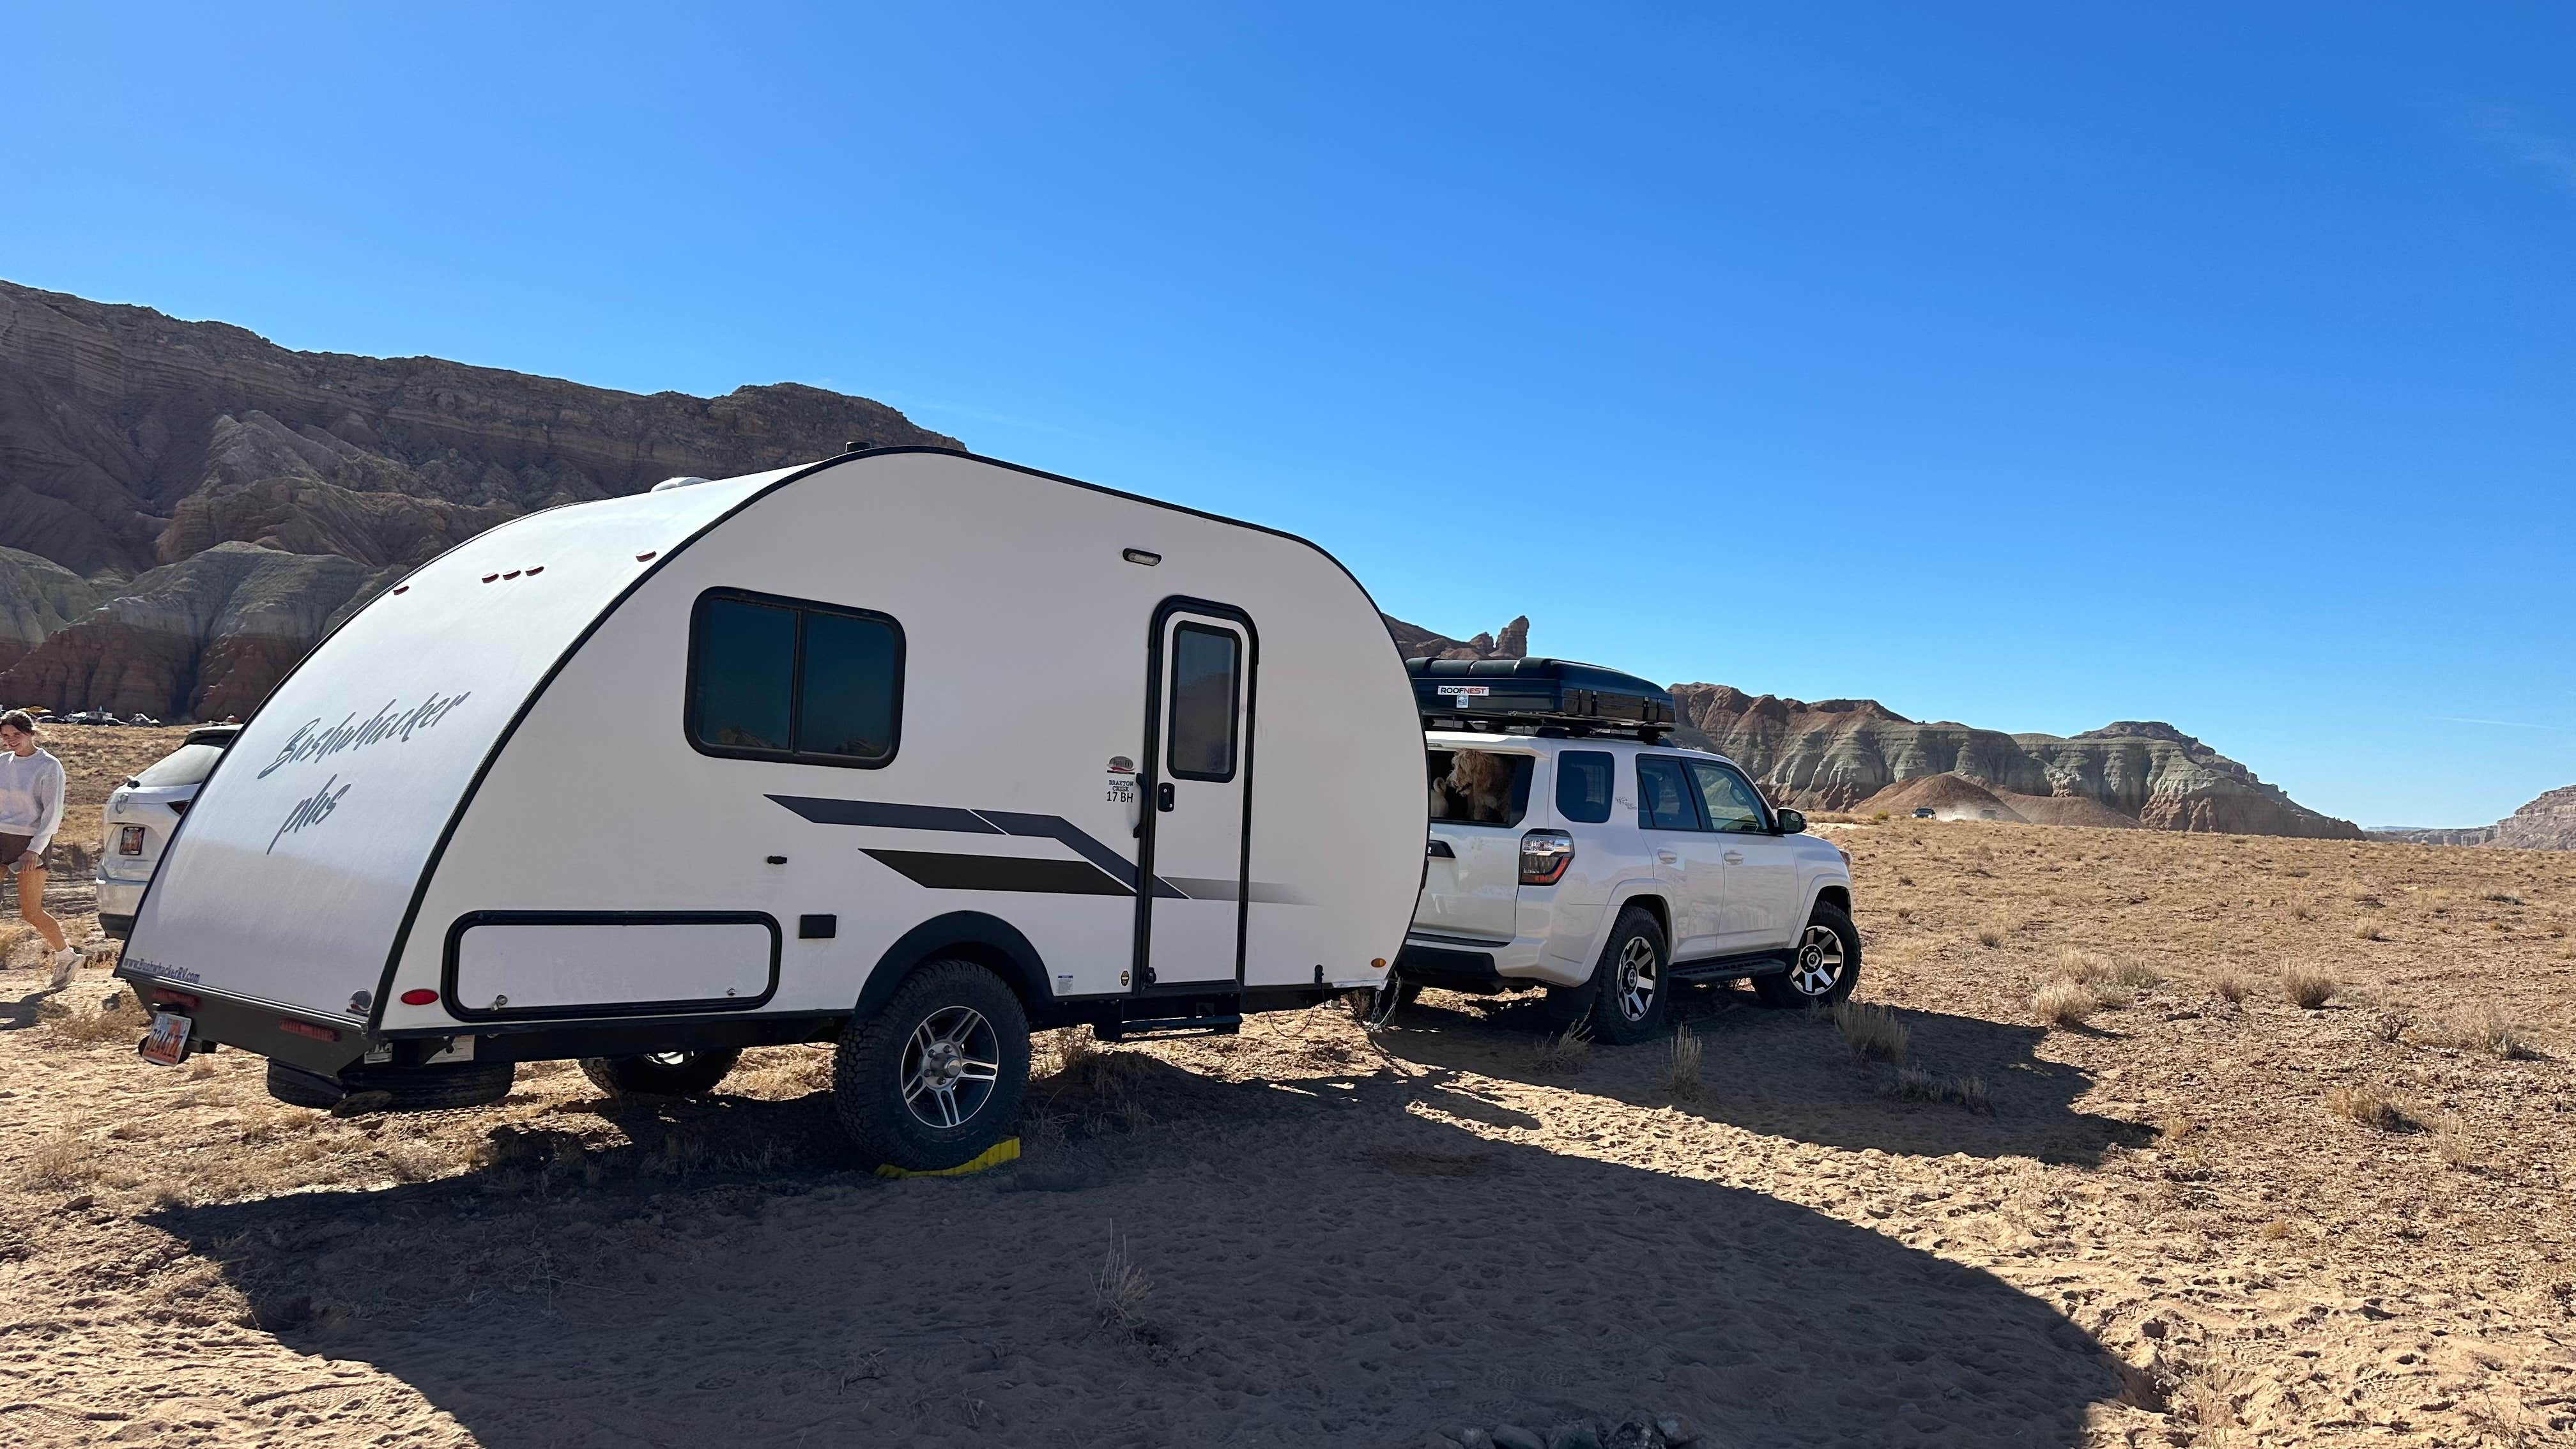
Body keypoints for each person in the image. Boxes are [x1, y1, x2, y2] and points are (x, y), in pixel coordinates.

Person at [0, 710, 82, 988]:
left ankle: (67, 956)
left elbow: (53, 813)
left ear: (31, 734)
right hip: (1, 838)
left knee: (31, 912)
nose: (10, 741)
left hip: (32, 843)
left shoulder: (49, 766)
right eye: (5, 736)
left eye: (16, 735)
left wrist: (34, 849)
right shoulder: (1, 763)